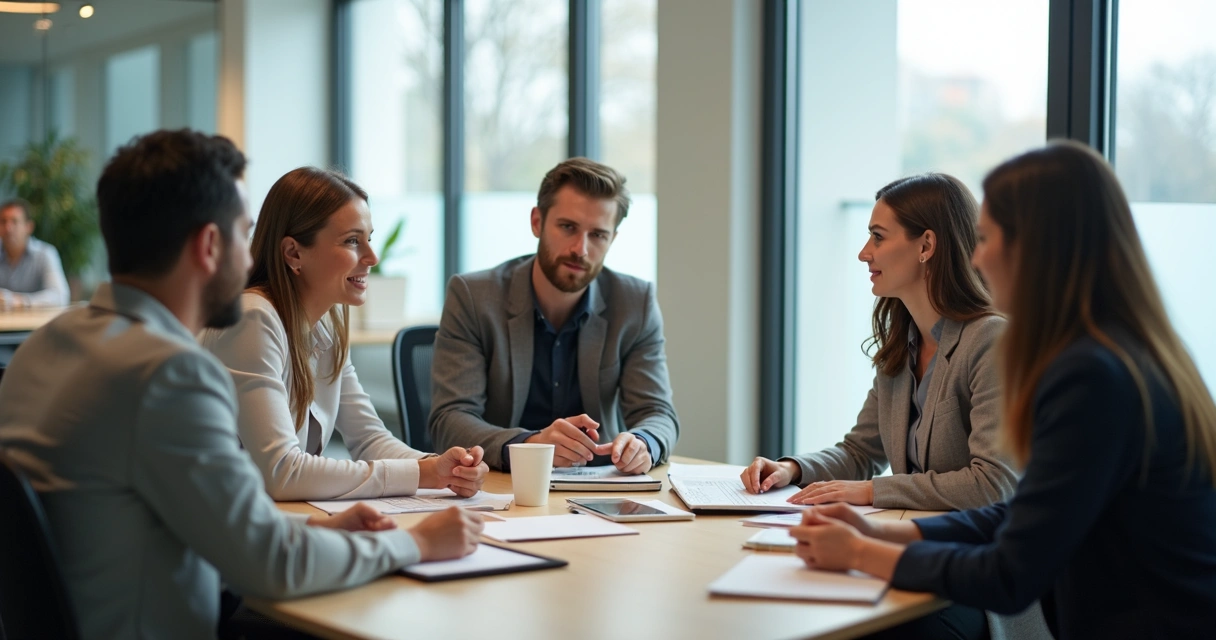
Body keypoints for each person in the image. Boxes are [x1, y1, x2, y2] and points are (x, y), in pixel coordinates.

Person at [0, 130, 483, 639]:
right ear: (210, 246)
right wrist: (417, 544)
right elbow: (273, 566)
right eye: (244, 232)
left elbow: (173, 524)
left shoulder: (41, 348)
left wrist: (312, 531)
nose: (254, 256)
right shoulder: (169, 375)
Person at [790, 141, 1216, 639]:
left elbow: (1010, 570)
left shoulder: (1092, 376)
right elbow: (1023, 513)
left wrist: (864, 552)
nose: (977, 255)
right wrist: (884, 532)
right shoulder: (1123, 352)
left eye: (986, 237)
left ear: (1038, 247)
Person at [201, 167, 488, 501]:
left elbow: (369, 439)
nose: (372, 257)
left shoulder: (324, 326)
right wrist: (422, 474)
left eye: (369, 238)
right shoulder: (253, 319)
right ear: (294, 253)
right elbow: (281, 472)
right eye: (352, 241)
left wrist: (442, 467)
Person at [742, 174, 1017, 511]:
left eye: (877, 237)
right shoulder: (903, 344)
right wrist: (790, 469)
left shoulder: (991, 341)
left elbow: (994, 484)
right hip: (915, 535)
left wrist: (873, 491)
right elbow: (860, 453)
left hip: (972, 551)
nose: (863, 253)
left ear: (926, 246)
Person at [429, 157, 679, 472]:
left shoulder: (634, 302)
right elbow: (449, 420)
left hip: (601, 485)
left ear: (612, 238)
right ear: (537, 222)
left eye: (598, 235)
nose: (581, 249)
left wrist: (644, 443)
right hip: (503, 487)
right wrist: (530, 447)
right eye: (567, 227)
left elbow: (658, 413)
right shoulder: (474, 297)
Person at [0, 197, 70, 309]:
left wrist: (19, 301)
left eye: (14, 221)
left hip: (35, 325)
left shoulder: (45, 254)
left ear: (28, 227)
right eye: (3, 221)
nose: (8, 228)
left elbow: (60, 296)